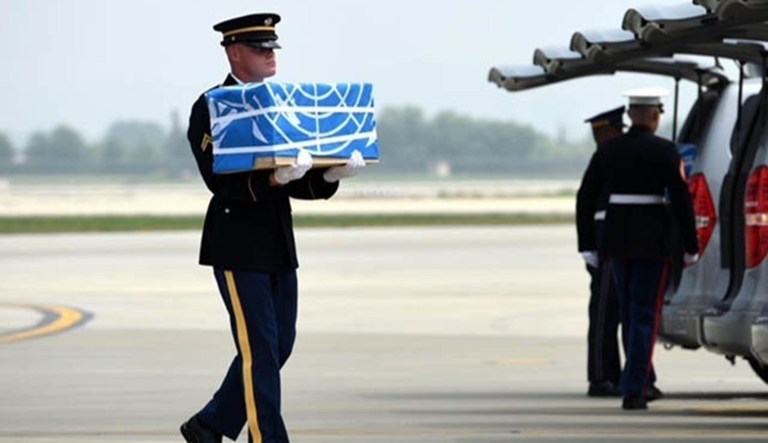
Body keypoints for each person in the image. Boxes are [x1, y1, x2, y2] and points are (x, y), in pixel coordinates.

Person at [181, 12, 366, 443]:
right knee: (260, 350)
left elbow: (299, 178)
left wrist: (329, 176)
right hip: (237, 243)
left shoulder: (282, 103)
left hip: (277, 241)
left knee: (279, 343)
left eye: (272, 48)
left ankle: (208, 425)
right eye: (261, 49)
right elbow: (219, 180)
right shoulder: (212, 106)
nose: (270, 56)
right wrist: (272, 178)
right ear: (234, 52)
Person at [576, 87, 698, 410]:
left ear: (630, 115)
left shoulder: (609, 151)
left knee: (630, 310)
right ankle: (635, 388)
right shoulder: (666, 151)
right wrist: (690, 245)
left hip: (615, 241)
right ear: (657, 116)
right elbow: (682, 201)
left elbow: (585, 196)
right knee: (644, 315)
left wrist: (587, 244)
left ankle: (635, 381)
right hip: (652, 243)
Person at [579, 107, 624, 398]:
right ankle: (600, 376)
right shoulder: (607, 157)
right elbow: (585, 201)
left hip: (611, 241)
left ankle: (612, 374)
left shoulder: (614, 156)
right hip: (607, 242)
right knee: (605, 312)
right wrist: (587, 246)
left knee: (611, 312)